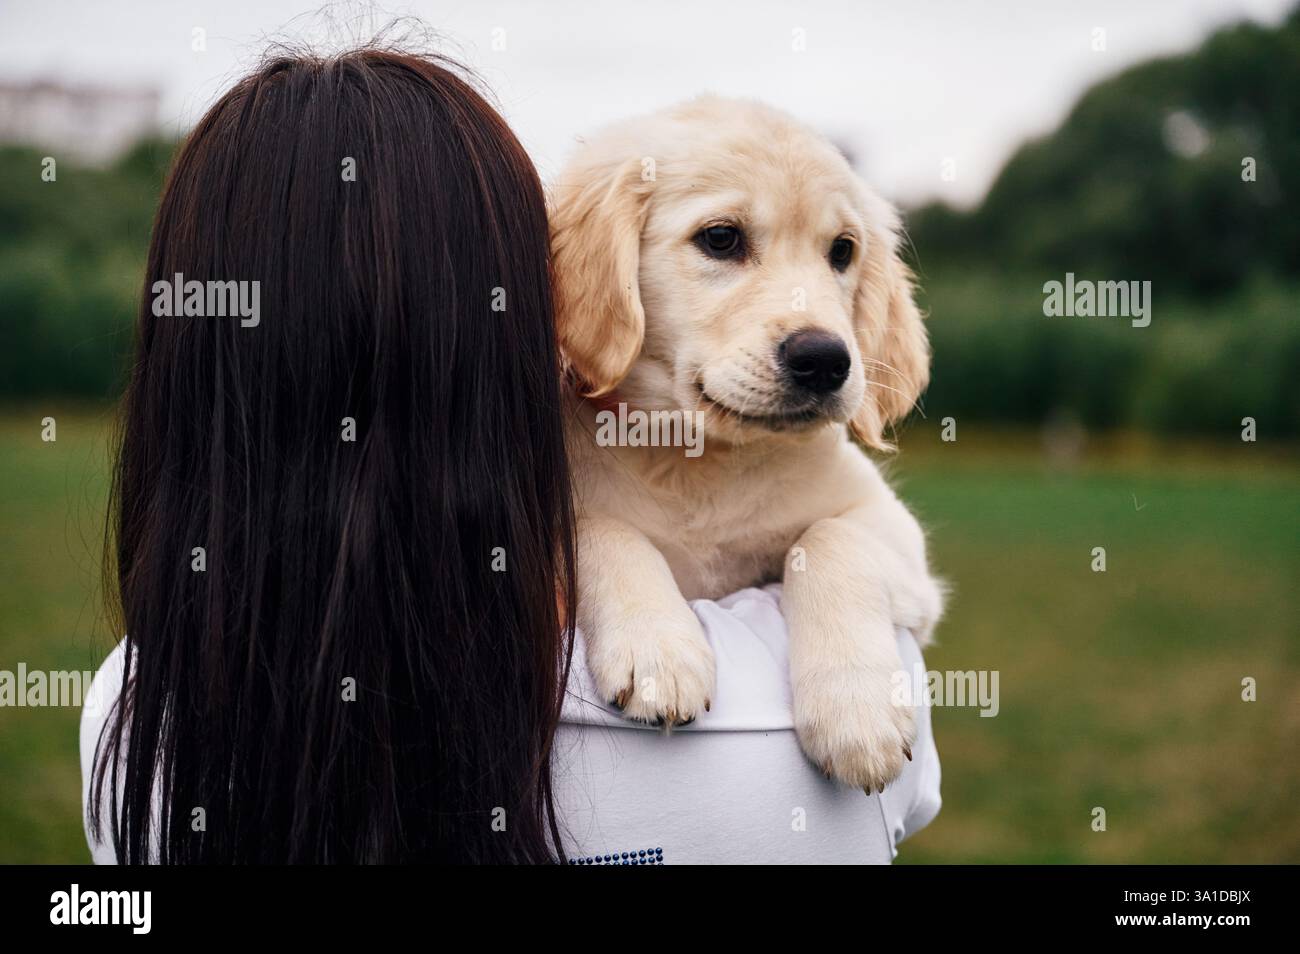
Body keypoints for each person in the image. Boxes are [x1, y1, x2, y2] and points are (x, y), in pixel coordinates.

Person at [80, 47, 939, 865]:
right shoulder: (775, 714)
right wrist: (610, 554)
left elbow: (872, 536)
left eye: (840, 254)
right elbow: (908, 797)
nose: (814, 325)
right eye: (721, 240)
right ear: (582, 274)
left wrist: (834, 572)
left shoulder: (136, 716)